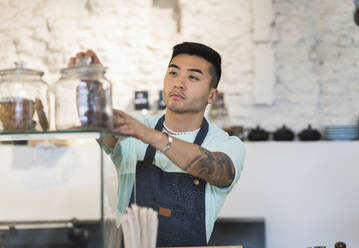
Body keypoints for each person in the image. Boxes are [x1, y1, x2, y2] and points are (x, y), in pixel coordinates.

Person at [70, 42, 245, 246]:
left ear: (212, 95)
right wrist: (92, 81)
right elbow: (97, 121)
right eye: (173, 73)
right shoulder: (134, 126)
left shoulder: (225, 143)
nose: (179, 83)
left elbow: (220, 171)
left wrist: (151, 136)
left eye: (193, 77)